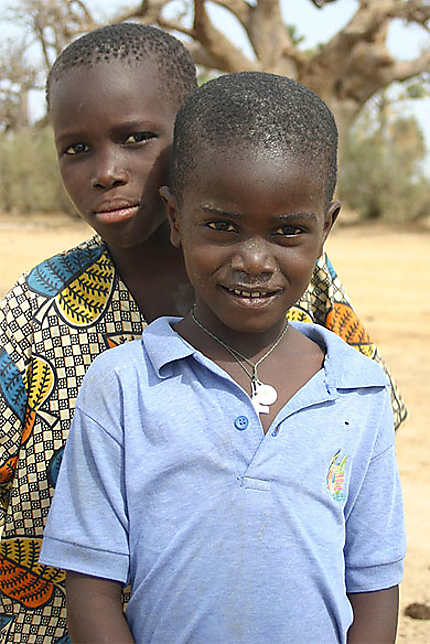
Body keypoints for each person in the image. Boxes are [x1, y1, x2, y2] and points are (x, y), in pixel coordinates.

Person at [0, 23, 405, 644]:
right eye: (75, 149)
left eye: (137, 139)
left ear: (187, 141)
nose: (106, 172)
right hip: (53, 617)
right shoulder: (38, 310)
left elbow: (354, 442)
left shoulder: (301, 276)